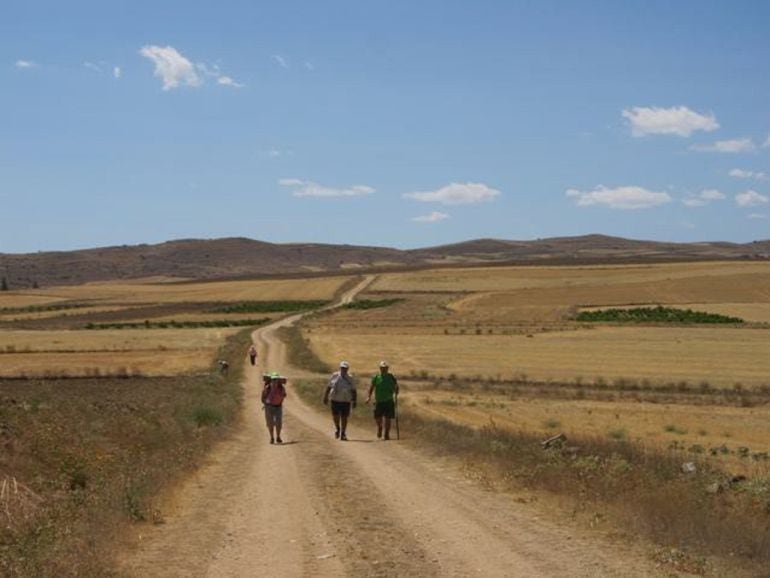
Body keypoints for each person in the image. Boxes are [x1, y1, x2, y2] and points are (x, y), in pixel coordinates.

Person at [323, 361, 356, 441]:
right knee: (335, 416)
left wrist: (354, 400)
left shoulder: (350, 378)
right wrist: (325, 397)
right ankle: (338, 428)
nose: (343, 369)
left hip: (346, 400)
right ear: (340, 368)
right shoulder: (335, 376)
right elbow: (329, 386)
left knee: (344, 417)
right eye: (342, 368)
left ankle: (343, 432)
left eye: (345, 368)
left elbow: (353, 390)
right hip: (335, 399)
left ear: (347, 369)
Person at [366, 361, 399, 440]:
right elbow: (371, 387)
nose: (384, 369)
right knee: (377, 417)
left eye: (385, 368)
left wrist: (396, 391)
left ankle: (386, 434)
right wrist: (368, 397)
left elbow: (396, 386)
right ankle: (380, 427)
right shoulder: (376, 377)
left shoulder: (391, 377)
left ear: (387, 369)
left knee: (388, 418)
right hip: (379, 401)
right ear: (380, 368)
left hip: (389, 400)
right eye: (382, 368)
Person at [261, 372, 287, 444]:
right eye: (273, 379)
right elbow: (263, 397)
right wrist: (266, 404)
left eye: (275, 379)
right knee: (270, 423)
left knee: (279, 423)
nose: (274, 381)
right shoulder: (267, 388)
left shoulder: (281, 388)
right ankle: (272, 437)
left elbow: (284, 395)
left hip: (278, 406)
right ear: (271, 380)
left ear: (278, 380)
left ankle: (278, 437)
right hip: (269, 407)